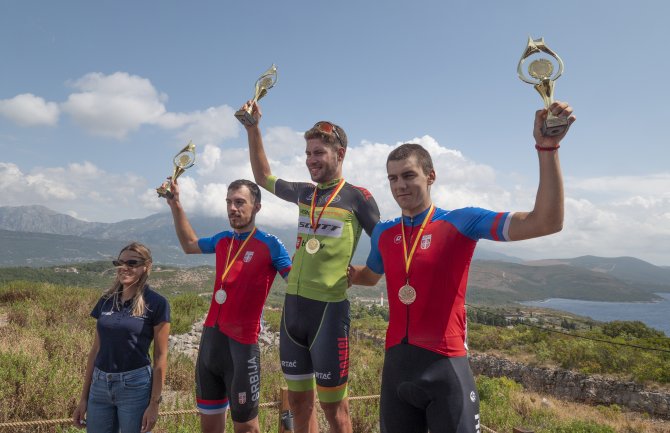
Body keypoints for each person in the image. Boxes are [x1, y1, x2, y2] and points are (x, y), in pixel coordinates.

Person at [350, 102, 576, 433]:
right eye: (393, 178)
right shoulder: (385, 233)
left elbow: (547, 221)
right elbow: (371, 277)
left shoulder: (461, 222)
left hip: (446, 367)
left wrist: (548, 148)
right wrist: (339, 273)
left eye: (409, 175)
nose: (400, 185)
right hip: (396, 369)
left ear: (431, 176)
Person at [241, 101, 380, 433]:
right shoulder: (305, 193)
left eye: (318, 152)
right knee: (300, 404)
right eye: (308, 153)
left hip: (328, 313)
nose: (311, 160)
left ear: (340, 154)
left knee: (336, 411)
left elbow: (388, 241)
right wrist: (253, 128)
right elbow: (262, 176)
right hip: (293, 310)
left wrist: (369, 276)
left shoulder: (357, 197)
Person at [162, 178, 292, 433]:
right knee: (209, 427)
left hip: (242, 348)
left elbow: (297, 283)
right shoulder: (223, 240)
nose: (233, 208)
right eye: (229, 202)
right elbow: (189, 245)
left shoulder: (271, 245)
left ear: (257, 207)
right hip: (211, 341)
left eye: (240, 202)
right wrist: (175, 203)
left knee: (246, 427)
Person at [72, 242, 170, 433]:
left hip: (135, 386)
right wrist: (83, 398)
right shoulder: (106, 301)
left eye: (132, 263)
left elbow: (160, 357)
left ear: (146, 267)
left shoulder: (157, 303)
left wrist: (154, 404)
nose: (124, 267)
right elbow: (95, 350)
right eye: (120, 262)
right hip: (99, 385)